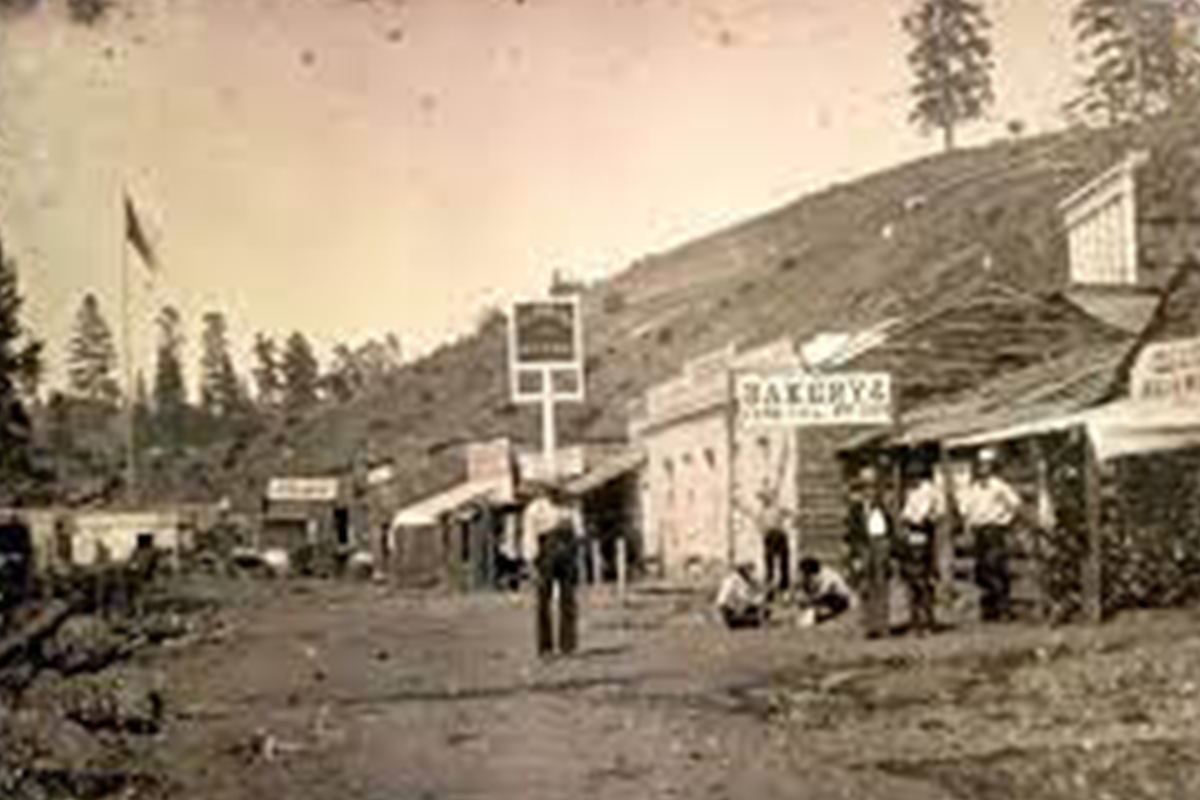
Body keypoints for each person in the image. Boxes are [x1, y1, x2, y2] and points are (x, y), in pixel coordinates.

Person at [960, 447, 1022, 622]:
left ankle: (1003, 609)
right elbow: (966, 509)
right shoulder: (973, 488)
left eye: (987, 465)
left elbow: (1015, 503)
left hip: (994, 530)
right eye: (980, 465)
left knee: (995, 568)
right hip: (979, 531)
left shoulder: (999, 486)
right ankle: (989, 609)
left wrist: (1006, 519)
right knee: (981, 570)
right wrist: (968, 526)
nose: (983, 469)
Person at [525, 486, 579, 657]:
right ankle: (545, 647)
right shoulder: (535, 509)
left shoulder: (569, 506)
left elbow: (578, 530)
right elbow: (530, 535)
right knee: (543, 600)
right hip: (545, 552)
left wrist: (574, 550)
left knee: (568, 599)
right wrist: (531, 561)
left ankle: (568, 645)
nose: (553, 493)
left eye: (556, 488)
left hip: (566, 551)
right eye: (549, 489)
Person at [845, 465, 892, 639]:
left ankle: (883, 625)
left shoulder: (883, 507)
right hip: (863, 547)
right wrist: (854, 554)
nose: (869, 491)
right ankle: (868, 626)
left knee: (881, 586)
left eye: (872, 487)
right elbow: (851, 533)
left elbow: (890, 528)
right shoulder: (856, 510)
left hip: (880, 545)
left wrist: (889, 548)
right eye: (866, 487)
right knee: (865, 586)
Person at [899, 460, 946, 633]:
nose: (913, 479)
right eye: (911, 475)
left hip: (925, 532)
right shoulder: (912, 492)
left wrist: (929, 519)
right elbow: (906, 513)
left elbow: (940, 512)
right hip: (912, 532)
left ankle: (928, 619)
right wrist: (906, 522)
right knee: (912, 577)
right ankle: (915, 619)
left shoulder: (931, 491)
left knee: (925, 578)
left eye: (915, 475)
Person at [797, 557, 855, 623]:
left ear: (812, 572)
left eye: (807, 574)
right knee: (811, 603)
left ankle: (821, 615)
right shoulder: (812, 576)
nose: (806, 577)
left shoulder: (828, 575)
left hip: (841, 598)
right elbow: (806, 590)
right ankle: (816, 614)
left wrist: (808, 600)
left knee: (816, 604)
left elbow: (822, 593)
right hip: (828, 597)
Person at [715, 563, 769, 629]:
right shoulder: (734, 581)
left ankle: (750, 619)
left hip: (738, 609)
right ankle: (747, 620)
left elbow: (757, 593)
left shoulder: (745, 580)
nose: (752, 573)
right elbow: (742, 598)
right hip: (732, 612)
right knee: (757, 615)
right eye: (749, 570)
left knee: (759, 608)